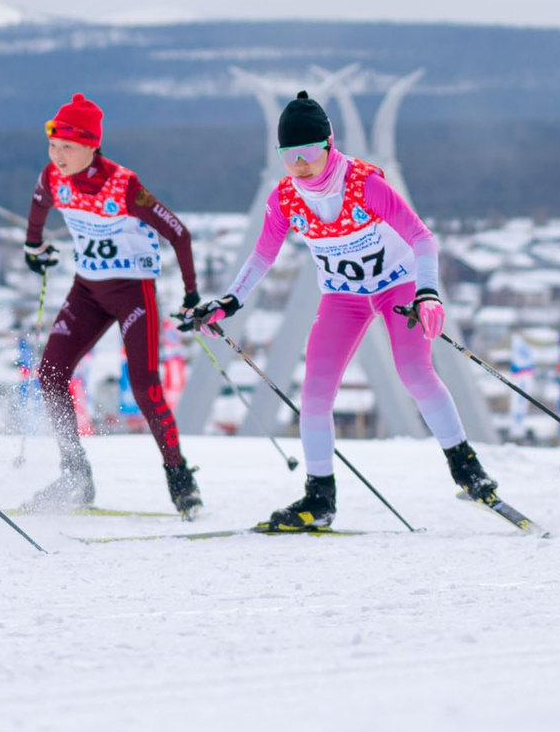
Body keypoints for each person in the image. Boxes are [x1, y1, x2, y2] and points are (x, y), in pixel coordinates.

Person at [176, 92, 512, 532]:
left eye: (309, 152)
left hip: (399, 288)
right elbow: (261, 256)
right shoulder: (284, 200)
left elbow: (423, 239)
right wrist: (230, 301)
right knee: (315, 392)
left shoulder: (364, 184)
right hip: (343, 296)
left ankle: (468, 471)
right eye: (288, 155)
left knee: (414, 373)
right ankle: (320, 499)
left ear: (330, 145)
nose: (299, 164)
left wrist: (429, 293)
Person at [19, 93, 204, 517]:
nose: (57, 155)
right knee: (50, 375)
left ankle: (181, 480)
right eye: (53, 145)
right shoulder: (53, 177)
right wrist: (33, 248)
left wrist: (192, 295)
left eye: (67, 147)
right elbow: (37, 209)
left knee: (145, 387)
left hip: (132, 292)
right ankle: (75, 474)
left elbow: (180, 234)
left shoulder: (124, 186)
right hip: (88, 290)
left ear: (91, 146)